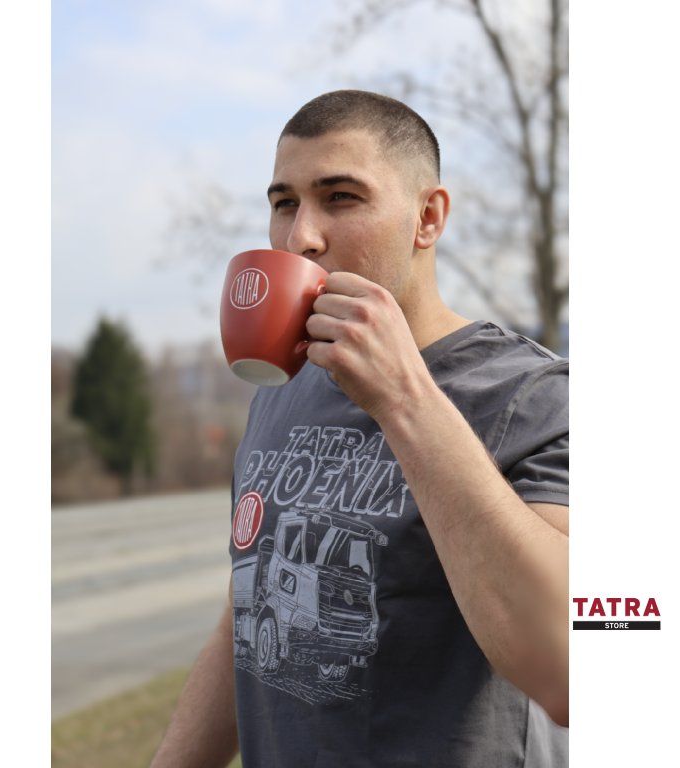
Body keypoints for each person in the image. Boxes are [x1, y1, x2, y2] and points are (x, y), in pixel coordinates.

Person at [152, 90, 569, 768]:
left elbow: (569, 667)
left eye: (340, 198)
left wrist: (404, 397)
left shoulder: (538, 397)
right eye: (284, 203)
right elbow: (246, 619)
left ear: (427, 218)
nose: (301, 237)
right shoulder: (282, 392)